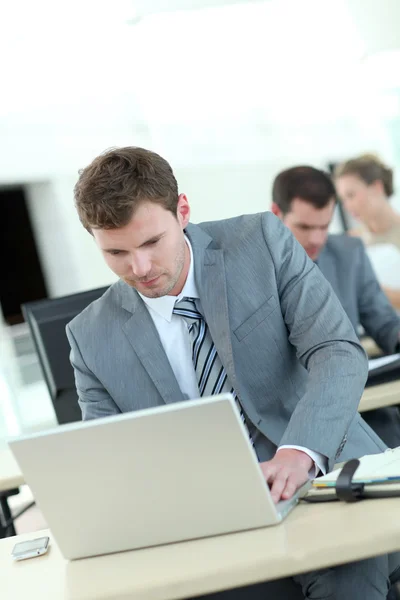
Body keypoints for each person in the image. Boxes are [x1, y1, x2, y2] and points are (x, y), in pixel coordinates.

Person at [67, 147, 397, 599]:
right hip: (216, 528)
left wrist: (298, 454)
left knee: (347, 572)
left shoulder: (259, 241)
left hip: (323, 479)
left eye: (150, 243)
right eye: (116, 252)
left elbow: (337, 350)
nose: (139, 268)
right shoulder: (90, 336)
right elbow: (111, 463)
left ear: (182, 211)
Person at [271, 165, 400, 448]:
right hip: (291, 417)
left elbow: (384, 323)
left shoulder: (349, 253)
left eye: (324, 226)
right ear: (275, 214)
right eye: (304, 227)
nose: (316, 239)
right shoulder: (256, 268)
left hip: (362, 405)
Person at [335, 154, 400, 309]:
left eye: (351, 195)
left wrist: (375, 293)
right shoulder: (350, 242)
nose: (347, 206)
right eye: (343, 199)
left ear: (377, 187)